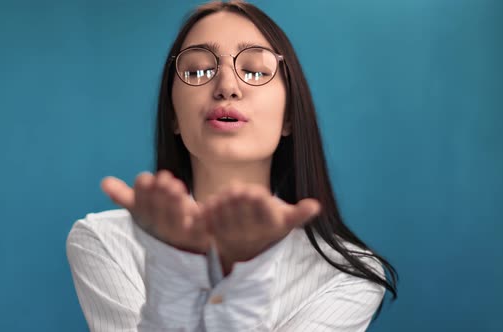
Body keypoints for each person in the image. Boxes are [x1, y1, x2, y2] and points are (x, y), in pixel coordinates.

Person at [66, 1, 398, 331]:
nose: (227, 87)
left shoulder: (344, 273)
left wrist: (240, 271)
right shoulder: (105, 240)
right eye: (197, 70)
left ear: (289, 116)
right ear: (172, 116)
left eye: (255, 70)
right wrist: (179, 264)